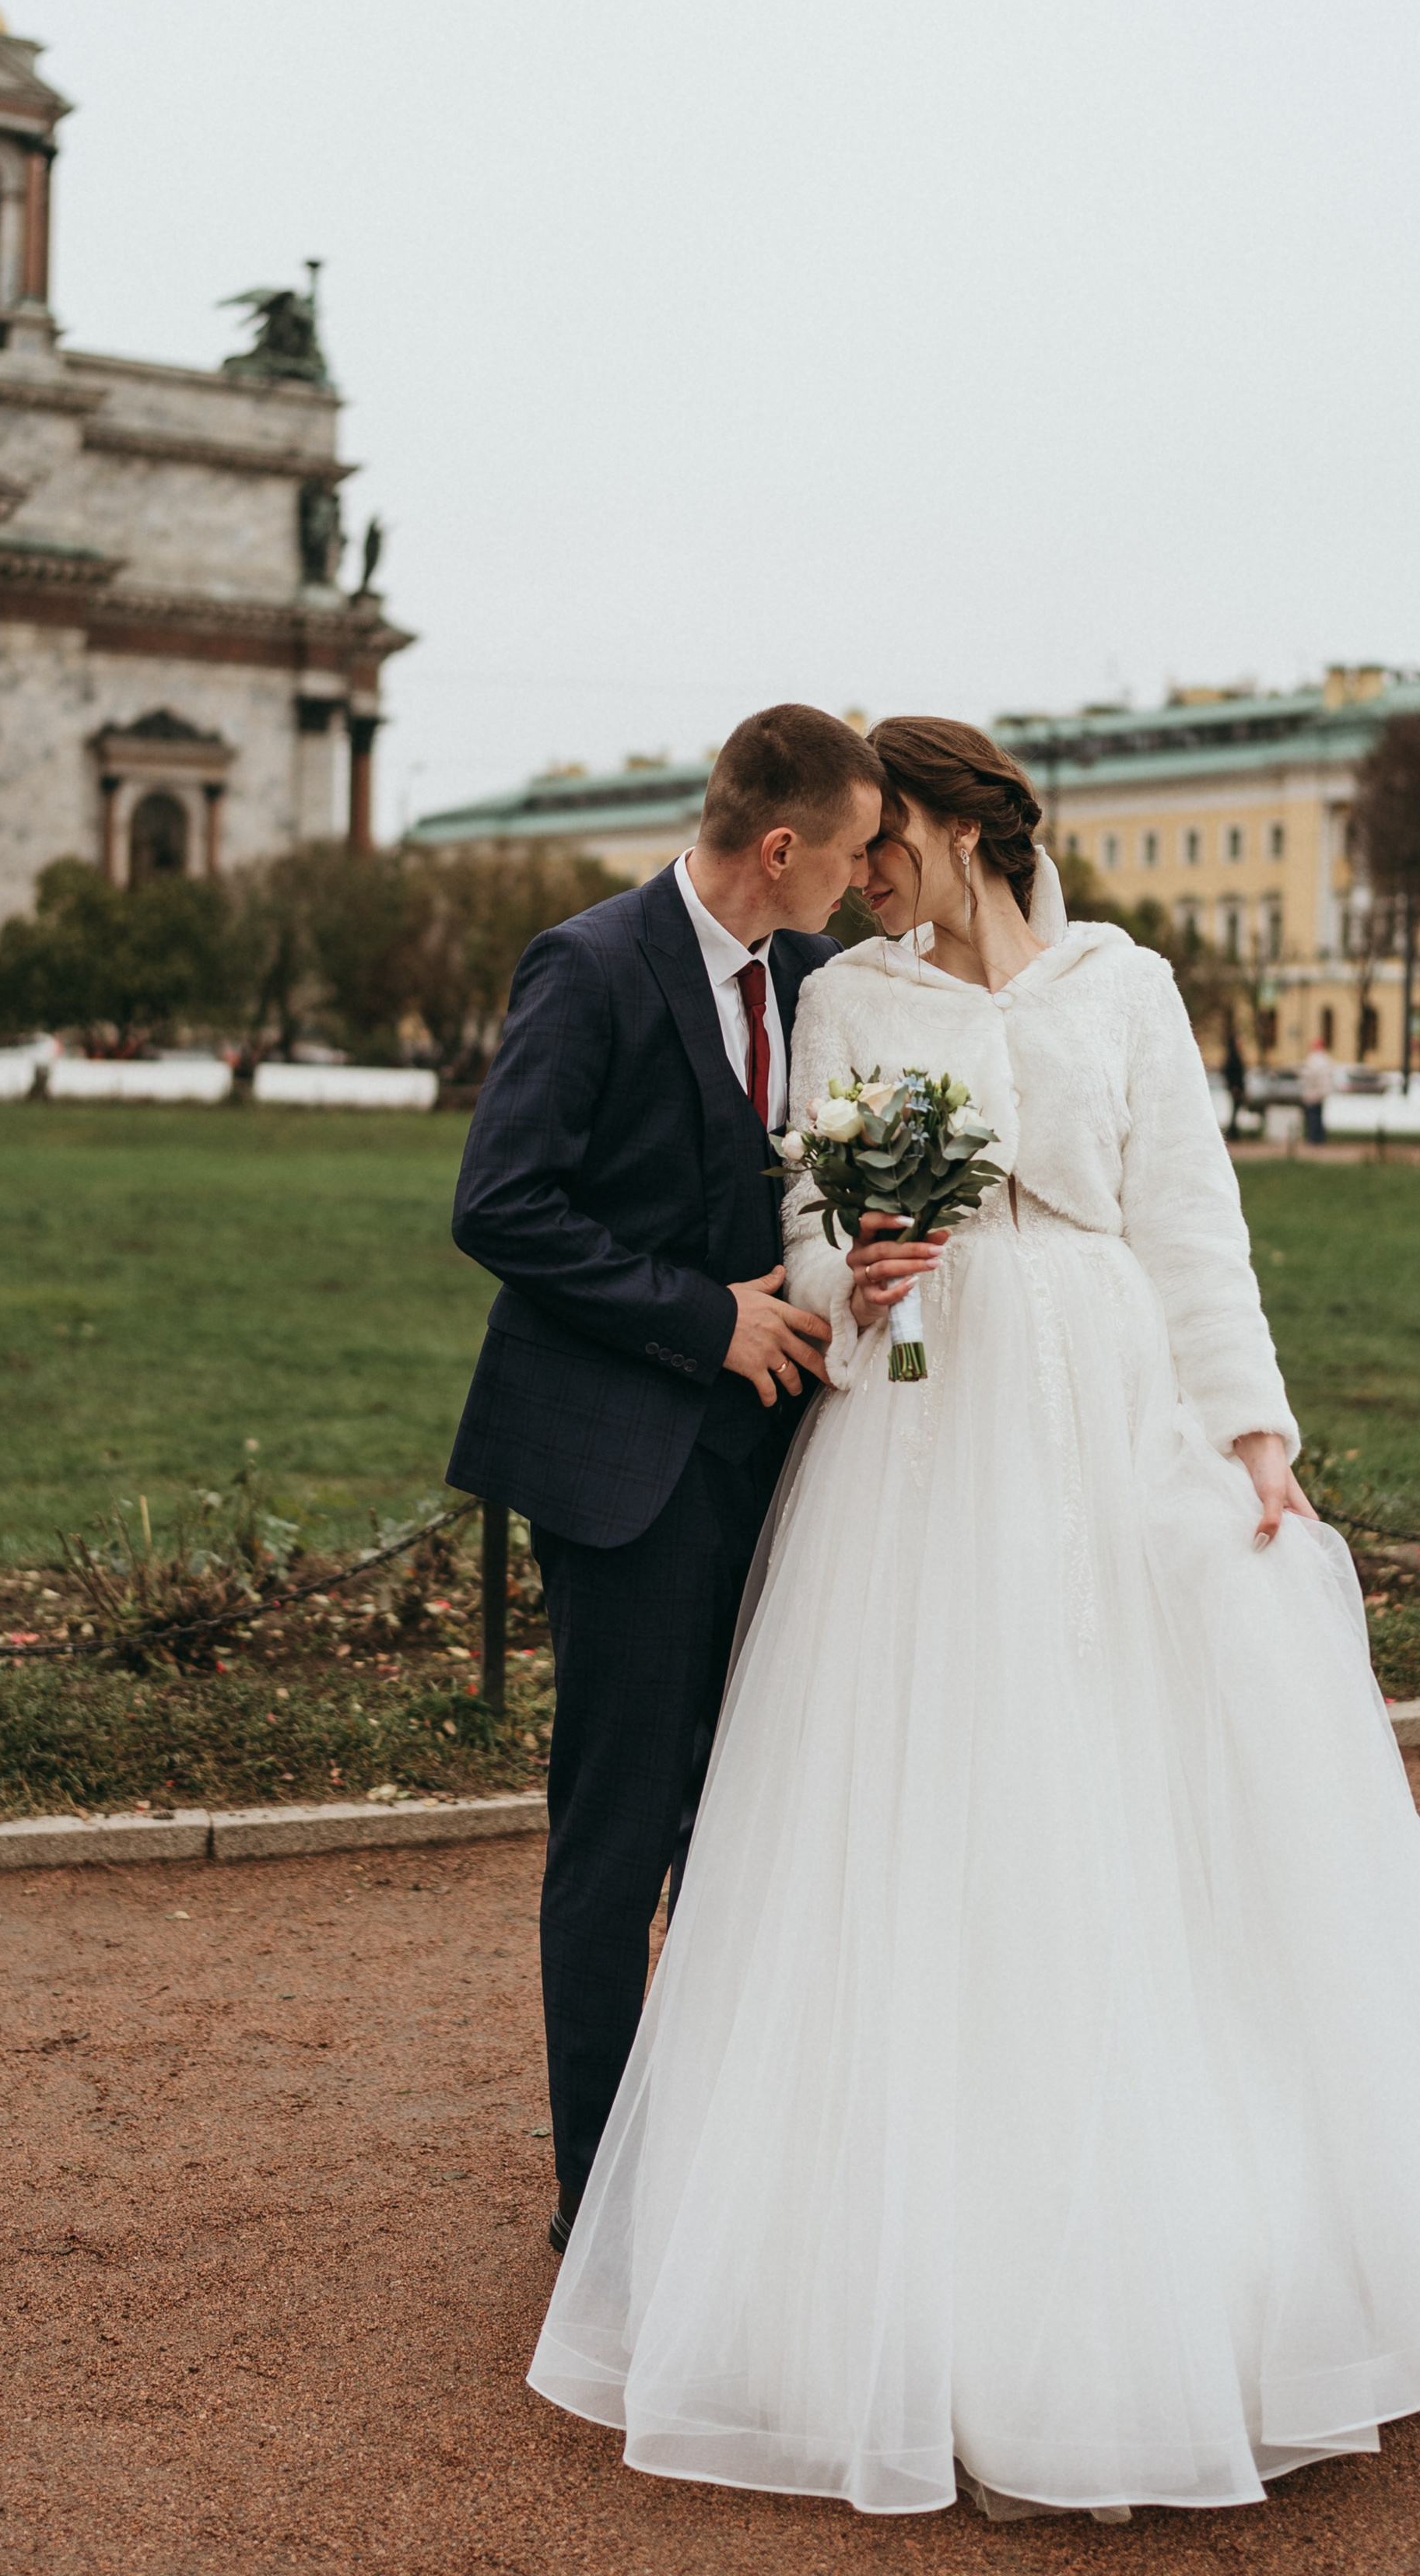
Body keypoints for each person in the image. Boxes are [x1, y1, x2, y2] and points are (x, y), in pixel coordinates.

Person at [531, 716, 1420, 2525]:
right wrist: (842, 1267)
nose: (865, 872)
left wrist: (1250, 1430)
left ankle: (1198, 2241)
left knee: (1136, 1791)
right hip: (922, 1421)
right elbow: (805, 1209)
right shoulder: (851, 1001)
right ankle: (905, 2265)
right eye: (851, 848)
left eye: (888, 844)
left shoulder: (1125, 984)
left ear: (958, 826)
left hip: (1103, 1399)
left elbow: (1192, 1220)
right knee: (926, 1802)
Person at [447, 703, 886, 2256]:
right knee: (617, 1836)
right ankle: (603, 2207)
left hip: (774, 1472)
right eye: (845, 855)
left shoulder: (818, 982)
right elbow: (499, 1203)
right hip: (618, 1468)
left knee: (743, 1822)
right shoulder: (587, 965)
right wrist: (700, 1319)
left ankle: (707, 2158)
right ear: (778, 848)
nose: (860, 880)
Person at [1300, 1033, 1335, 1143]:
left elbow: (1310, 1075)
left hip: (1313, 1092)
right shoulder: (1326, 1059)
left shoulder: (1314, 1059)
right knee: (1319, 1115)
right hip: (1322, 1092)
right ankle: (1320, 1137)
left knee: (1313, 1116)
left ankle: (1314, 1138)